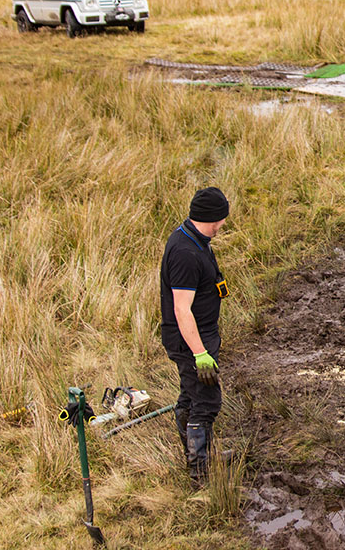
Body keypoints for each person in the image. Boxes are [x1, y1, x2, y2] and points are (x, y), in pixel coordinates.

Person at [160, 186, 230, 483]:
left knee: (191, 395)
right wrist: (200, 353)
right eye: (222, 217)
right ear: (211, 217)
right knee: (207, 401)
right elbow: (181, 309)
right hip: (190, 340)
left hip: (201, 335)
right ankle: (199, 472)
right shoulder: (186, 253)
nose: (225, 223)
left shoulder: (195, 238)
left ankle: (198, 455)